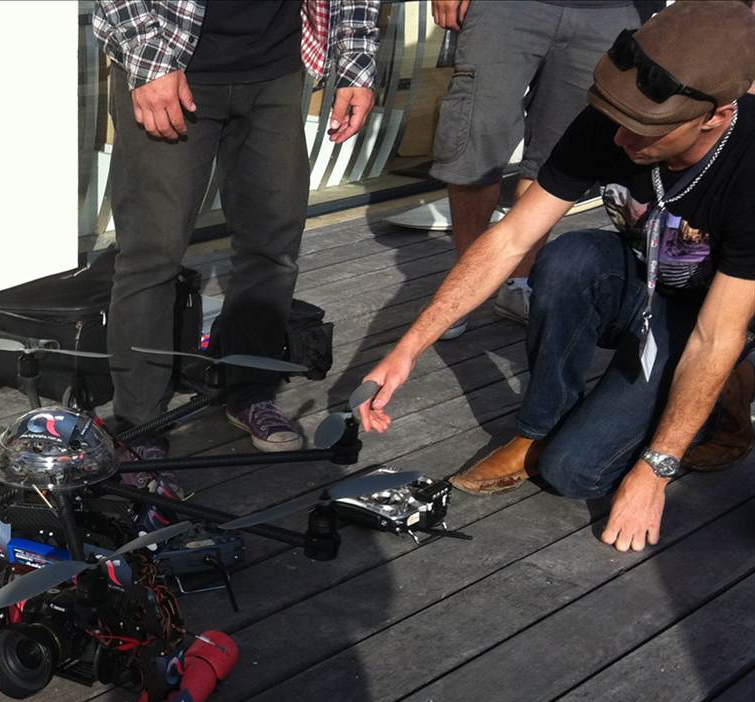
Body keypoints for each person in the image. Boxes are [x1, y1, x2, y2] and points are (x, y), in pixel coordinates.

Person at [356, 0, 755, 553]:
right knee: (568, 258)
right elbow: (511, 239)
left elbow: (715, 335)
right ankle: (537, 430)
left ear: (716, 115)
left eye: (647, 130)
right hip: (643, 281)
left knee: (577, 473)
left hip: (714, 318)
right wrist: (408, 348)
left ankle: (733, 389)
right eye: (620, 121)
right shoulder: (615, 121)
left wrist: (655, 471)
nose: (621, 142)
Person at [93, 0, 380, 487]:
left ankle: (249, 392)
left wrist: (355, 61)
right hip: (171, 57)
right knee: (151, 255)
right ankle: (138, 424)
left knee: (273, 247)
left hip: (276, 65)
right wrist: (148, 56)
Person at [429, 0, 654, 339]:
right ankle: (464, 285)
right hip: (509, 8)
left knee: (559, 152)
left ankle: (520, 281)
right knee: (477, 136)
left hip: (611, 11)